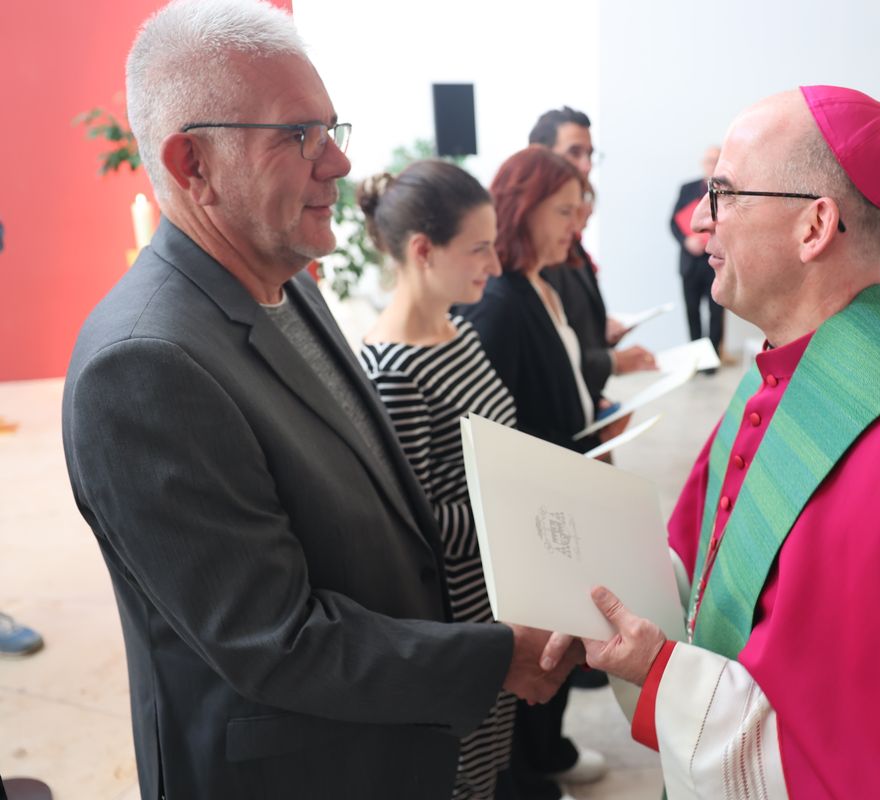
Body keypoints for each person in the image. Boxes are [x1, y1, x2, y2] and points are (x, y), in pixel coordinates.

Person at [60, 3, 577, 798]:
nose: (336, 163)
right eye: (299, 135)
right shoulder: (144, 366)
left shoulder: (286, 283)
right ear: (192, 162)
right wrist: (493, 655)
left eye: (334, 129)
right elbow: (276, 639)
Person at [547, 85, 880, 798]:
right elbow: (705, 577)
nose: (700, 221)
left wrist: (661, 673)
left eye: (724, 193)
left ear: (814, 226)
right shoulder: (784, 370)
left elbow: (855, 762)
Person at [355, 162, 517, 800]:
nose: (496, 265)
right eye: (479, 249)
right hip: (456, 612)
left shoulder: (459, 329)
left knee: (486, 764)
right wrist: (513, 506)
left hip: (494, 589)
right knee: (458, 775)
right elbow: (414, 525)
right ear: (423, 251)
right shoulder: (393, 370)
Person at [459, 146, 610, 800]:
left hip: (567, 481)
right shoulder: (499, 301)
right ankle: (528, 771)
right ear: (522, 205)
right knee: (534, 651)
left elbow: (557, 384)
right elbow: (496, 425)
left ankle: (548, 753)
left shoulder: (545, 283)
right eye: (563, 209)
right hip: (537, 502)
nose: (574, 224)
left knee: (563, 639)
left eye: (579, 210)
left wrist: (598, 417)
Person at [532, 106, 655, 403]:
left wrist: (602, 333)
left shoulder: (568, 239)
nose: (585, 166)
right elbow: (542, 360)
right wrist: (611, 361)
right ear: (538, 155)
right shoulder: (531, 250)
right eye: (574, 152)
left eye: (589, 154)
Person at [670, 146, 725, 360]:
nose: (712, 163)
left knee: (715, 313)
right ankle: (694, 358)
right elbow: (673, 222)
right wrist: (686, 241)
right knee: (691, 311)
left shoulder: (727, 191)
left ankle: (711, 359)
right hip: (691, 263)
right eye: (709, 159)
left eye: (716, 159)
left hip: (715, 262)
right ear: (703, 162)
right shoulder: (687, 188)